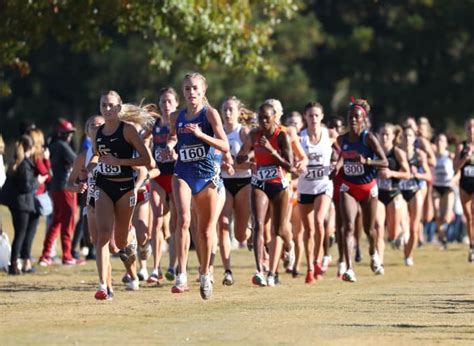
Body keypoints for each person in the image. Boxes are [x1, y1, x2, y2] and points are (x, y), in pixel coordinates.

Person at [165, 72, 229, 299]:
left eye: (195, 88)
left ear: (203, 91)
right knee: (183, 220)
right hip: (183, 172)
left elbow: (225, 145)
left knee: (204, 230)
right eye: (187, 89)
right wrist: (170, 147)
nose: (191, 92)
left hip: (206, 175)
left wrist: (202, 135)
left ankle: (204, 273)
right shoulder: (176, 117)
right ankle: (181, 273)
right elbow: (173, 138)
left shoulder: (209, 114)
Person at [89, 91, 152, 300]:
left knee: (121, 240)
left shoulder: (129, 130)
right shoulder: (97, 132)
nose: (107, 109)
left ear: (119, 107)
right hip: (103, 186)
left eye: (111, 105)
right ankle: (103, 286)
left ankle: (132, 241)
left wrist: (120, 162)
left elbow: (147, 160)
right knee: (103, 235)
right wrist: (88, 169)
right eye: (104, 105)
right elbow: (98, 154)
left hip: (125, 188)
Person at [237, 103, 296, 287]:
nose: (263, 121)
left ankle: (290, 247)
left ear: (274, 118)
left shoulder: (282, 136)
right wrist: (244, 158)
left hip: (279, 185)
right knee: (258, 225)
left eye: (266, 118)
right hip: (259, 183)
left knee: (279, 229)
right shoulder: (254, 135)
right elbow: (240, 156)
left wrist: (271, 151)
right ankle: (259, 270)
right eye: (260, 118)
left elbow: (290, 167)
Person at [337, 98, 388, 282]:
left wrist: (366, 162)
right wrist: (337, 165)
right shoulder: (341, 139)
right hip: (349, 187)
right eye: (350, 117)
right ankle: (349, 268)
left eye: (356, 117)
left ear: (363, 119)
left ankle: (373, 253)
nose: (352, 120)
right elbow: (342, 157)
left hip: (368, 187)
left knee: (369, 229)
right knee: (348, 226)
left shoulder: (368, 138)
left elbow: (385, 162)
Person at [297, 102, 334, 283]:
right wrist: (297, 166)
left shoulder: (329, 135)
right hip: (305, 188)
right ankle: (310, 267)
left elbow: (342, 151)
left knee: (319, 221)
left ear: (322, 116)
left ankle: (318, 260)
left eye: (316, 115)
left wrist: (337, 164)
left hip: (323, 186)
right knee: (309, 229)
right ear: (306, 117)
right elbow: (292, 158)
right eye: (310, 115)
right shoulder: (299, 138)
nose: (313, 119)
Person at [218, 96, 252, 285]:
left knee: (240, 235)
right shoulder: (217, 132)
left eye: (231, 109)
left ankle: (249, 232)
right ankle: (227, 271)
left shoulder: (243, 132)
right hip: (223, 183)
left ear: (239, 112)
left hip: (243, 182)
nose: (227, 113)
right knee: (223, 223)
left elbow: (253, 161)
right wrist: (223, 166)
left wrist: (236, 165)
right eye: (225, 109)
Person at [39, 119, 80, 266]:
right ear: (61, 134)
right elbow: (77, 160)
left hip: (55, 187)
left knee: (56, 221)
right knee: (68, 222)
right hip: (66, 187)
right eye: (68, 133)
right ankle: (67, 255)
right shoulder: (63, 146)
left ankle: (46, 254)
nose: (70, 136)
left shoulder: (52, 145)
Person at [148, 87, 179, 284]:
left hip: (176, 175)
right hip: (158, 175)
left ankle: (172, 266)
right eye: (162, 102)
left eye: (169, 101)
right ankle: (155, 268)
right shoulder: (154, 125)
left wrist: (175, 154)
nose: (166, 105)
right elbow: (144, 145)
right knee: (157, 222)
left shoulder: (181, 122)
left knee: (175, 223)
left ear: (176, 104)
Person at [5, 135, 47, 274]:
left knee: (19, 234)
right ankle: (14, 265)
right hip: (22, 204)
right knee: (20, 235)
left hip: (18, 203)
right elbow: (26, 187)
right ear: (32, 147)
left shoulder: (18, 162)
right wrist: (38, 181)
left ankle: (17, 263)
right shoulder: (25, 165)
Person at [374, 124, 410, 266]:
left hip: (394, 193)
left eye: (387, 134)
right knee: (378, 228)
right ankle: (379, 263)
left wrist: (391, 173)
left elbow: (407, 174)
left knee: (392, 235)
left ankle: (400, 232)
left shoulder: (397, 153)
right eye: (382, 134)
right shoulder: (374, 152)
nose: (384, 137)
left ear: (394, 136)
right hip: (378, 194)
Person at [399, 126, 431, 266]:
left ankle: (408, 255)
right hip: (399, 191)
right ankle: (402, 241)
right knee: (404, 224)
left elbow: (428, 175)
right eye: (405, 135)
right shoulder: (397, 153)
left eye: (410, 136)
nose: (407, 138)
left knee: (414, 227)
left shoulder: (419, 155)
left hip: (414, 190)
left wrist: (417, 174)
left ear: (414, 138)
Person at [454, 118, 474, 262]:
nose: (471, 130)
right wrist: (465, 159)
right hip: (464, 184)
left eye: (473, 127)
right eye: (469, 127)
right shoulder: (461, 147)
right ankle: (472, 247)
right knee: (468, 217)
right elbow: (455, 168)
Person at [432, 133, 455, 248]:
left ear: (446, 144)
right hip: (436, 186)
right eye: (437, 141)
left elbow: (458, 171)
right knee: (437, 213)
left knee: (446, 217)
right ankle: (442, 238)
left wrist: (455, 179)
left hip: (448, 187)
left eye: (442, 141)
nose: (439, 143)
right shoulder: (432, 156)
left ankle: (445, 228)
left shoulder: (450, 156)